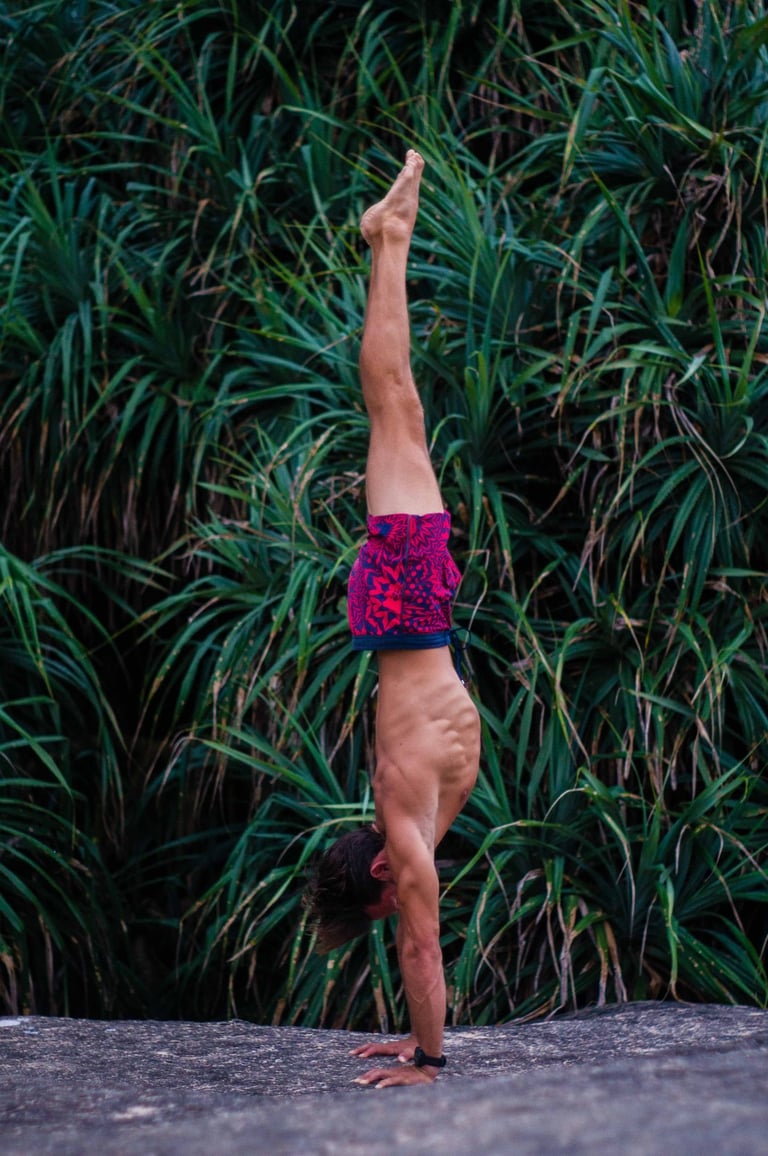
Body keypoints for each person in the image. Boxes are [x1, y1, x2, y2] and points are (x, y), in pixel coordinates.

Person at [305, 150, 481, 1088]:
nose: (397, 909)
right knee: (395, 407)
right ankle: (386, 241)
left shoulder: (403, 835)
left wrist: (427, 1060)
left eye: (376, 909)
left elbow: (421, 948)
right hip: (413, 614)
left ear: (378, 875)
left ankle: (390, 239)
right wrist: (411, 1043)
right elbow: (410, 943)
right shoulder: (407, 817)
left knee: (395, 402)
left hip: (409, 606)